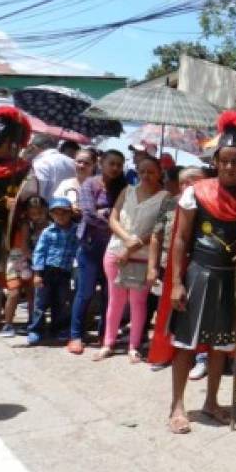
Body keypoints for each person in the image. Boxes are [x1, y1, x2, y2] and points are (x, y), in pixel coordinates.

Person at [168, 111, 236, 434]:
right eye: (224, 161)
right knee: (186, 343)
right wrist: (176, 283)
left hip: (232, 280)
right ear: (215, 160)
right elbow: (181, 239)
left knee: (222, 346)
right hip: (199, 274)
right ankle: (178, 406)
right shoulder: (196, 192)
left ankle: (211, 401)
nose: (229, 167)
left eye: (235, 161)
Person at [94, 154, 167, 362]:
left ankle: (133, 346)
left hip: (143, 257)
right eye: (142, 171)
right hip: (116, 251)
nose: (146, 175)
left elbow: (158, 231)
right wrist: (127, 240)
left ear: (159, 173)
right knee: (115, 300)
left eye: (151, 171)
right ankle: (108, 343)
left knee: (138, 302)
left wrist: (134, 245)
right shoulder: (127, 191)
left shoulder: (166, 198)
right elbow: (113, 219)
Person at [67, 149, 127, 355]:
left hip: (113, 248)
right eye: (112, 163)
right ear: (101, 162)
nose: (115, 168)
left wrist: (107, 216)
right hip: (90, 247)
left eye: (119, 164)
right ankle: (75, 335)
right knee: (85, 292)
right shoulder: (89, 184)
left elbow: (126, 215)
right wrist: (112, 220)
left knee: (110, 294)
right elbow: (89, 215)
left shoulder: (124, 188)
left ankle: (105, 334)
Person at [146, 166, 206, 370]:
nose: (189, 186)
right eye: (185, 182)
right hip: (169, 265)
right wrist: (152, 267)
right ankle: (165, 353)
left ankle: (200, 358)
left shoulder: (210, 207)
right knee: (168, 312)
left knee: (199, 313)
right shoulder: (170, 203)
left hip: (200, 266)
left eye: (195, 180)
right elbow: (156, 235)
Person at [26, 198, 78, 345]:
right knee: (40, 303)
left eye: (64, 213)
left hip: (65, 272)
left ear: (70, 214)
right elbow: (39, 253)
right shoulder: (48, 232)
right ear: (51, 215)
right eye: (57, 213)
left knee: (61, 302)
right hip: (47, 271)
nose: (61, 216)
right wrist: (37, 274)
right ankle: (35, 329)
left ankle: (58, 328)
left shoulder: (76, 230)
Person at [0, 196, 48, 338]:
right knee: (14, 292)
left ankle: (32, 322)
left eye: (39, 212)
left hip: (33, 260)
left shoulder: (45, 225)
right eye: (33, 213)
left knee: (32, 293)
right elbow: (25, 248)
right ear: (27, 212)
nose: (36, 216)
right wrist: (37, 263)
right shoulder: (24, 224)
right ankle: (8, 324)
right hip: (17, 260)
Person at [0, 106, 32, 289]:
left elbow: (29, 202)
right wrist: (2, 202)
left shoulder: (22, 168)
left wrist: (17, 203)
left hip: (9, 232)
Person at [21, 134, 76, 203]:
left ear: (33, 147)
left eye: (29, 147)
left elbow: (34, 193)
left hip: (44, 209)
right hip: (67, 209)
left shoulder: (39, 163)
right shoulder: (72, 162)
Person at [53, 147, 97, 215]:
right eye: (79, 162)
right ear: (74, 162)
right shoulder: (65, 184)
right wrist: (70, 207)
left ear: (93, 165)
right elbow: (55, 204)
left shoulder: (98, 186)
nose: (82, 165)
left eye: (86, 163)